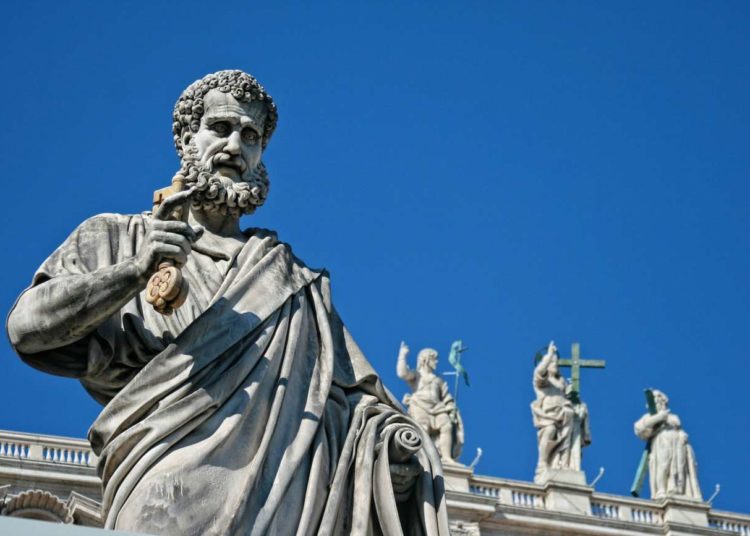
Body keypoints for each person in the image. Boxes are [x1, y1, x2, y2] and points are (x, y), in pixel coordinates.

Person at [7, 70, 449, 535]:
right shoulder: (119, 236)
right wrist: (134, 271)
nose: (236, 147)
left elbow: (352, 406)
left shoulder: (293, 282)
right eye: (220, 128)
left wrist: (390, 450)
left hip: (284, 503)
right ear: (186, 139)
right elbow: (27, 328)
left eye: (251, 136)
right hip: (162, 489)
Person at [530, 341, 590, 481]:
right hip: (548, 415)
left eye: (557, 362)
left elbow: (570, 396)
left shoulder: (562, 382)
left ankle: (562, 463)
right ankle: (543, 462)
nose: (556, 365)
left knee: (566, 441)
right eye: (553, 363)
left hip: (565, 415)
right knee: (550, 430)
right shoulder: (542, 382)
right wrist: (549, 355)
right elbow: (538, 372)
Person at [396, 342, 464, 464]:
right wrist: (402, 355)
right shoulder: (417, 375)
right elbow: (402, 373)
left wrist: (451, 407)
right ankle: (423, 457)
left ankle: (446, 457)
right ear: (426, 359)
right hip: (419, 404)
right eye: (434, 359)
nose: (437, 362)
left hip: (438, 407)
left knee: (447, 425)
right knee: (423, 428)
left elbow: (446, 396)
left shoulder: (439, 379)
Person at [634, 390, 702, 500]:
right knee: (663, 466)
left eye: (658, 401)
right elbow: (639, 428)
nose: (657, 403)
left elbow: (677, 426)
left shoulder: (673, 416)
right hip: (661, 441)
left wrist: (683, 435)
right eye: (654, 401)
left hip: (678, 443)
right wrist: (659, 417)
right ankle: (661, 490)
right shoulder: (650, 416)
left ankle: (677, 490)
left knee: (677, 468)